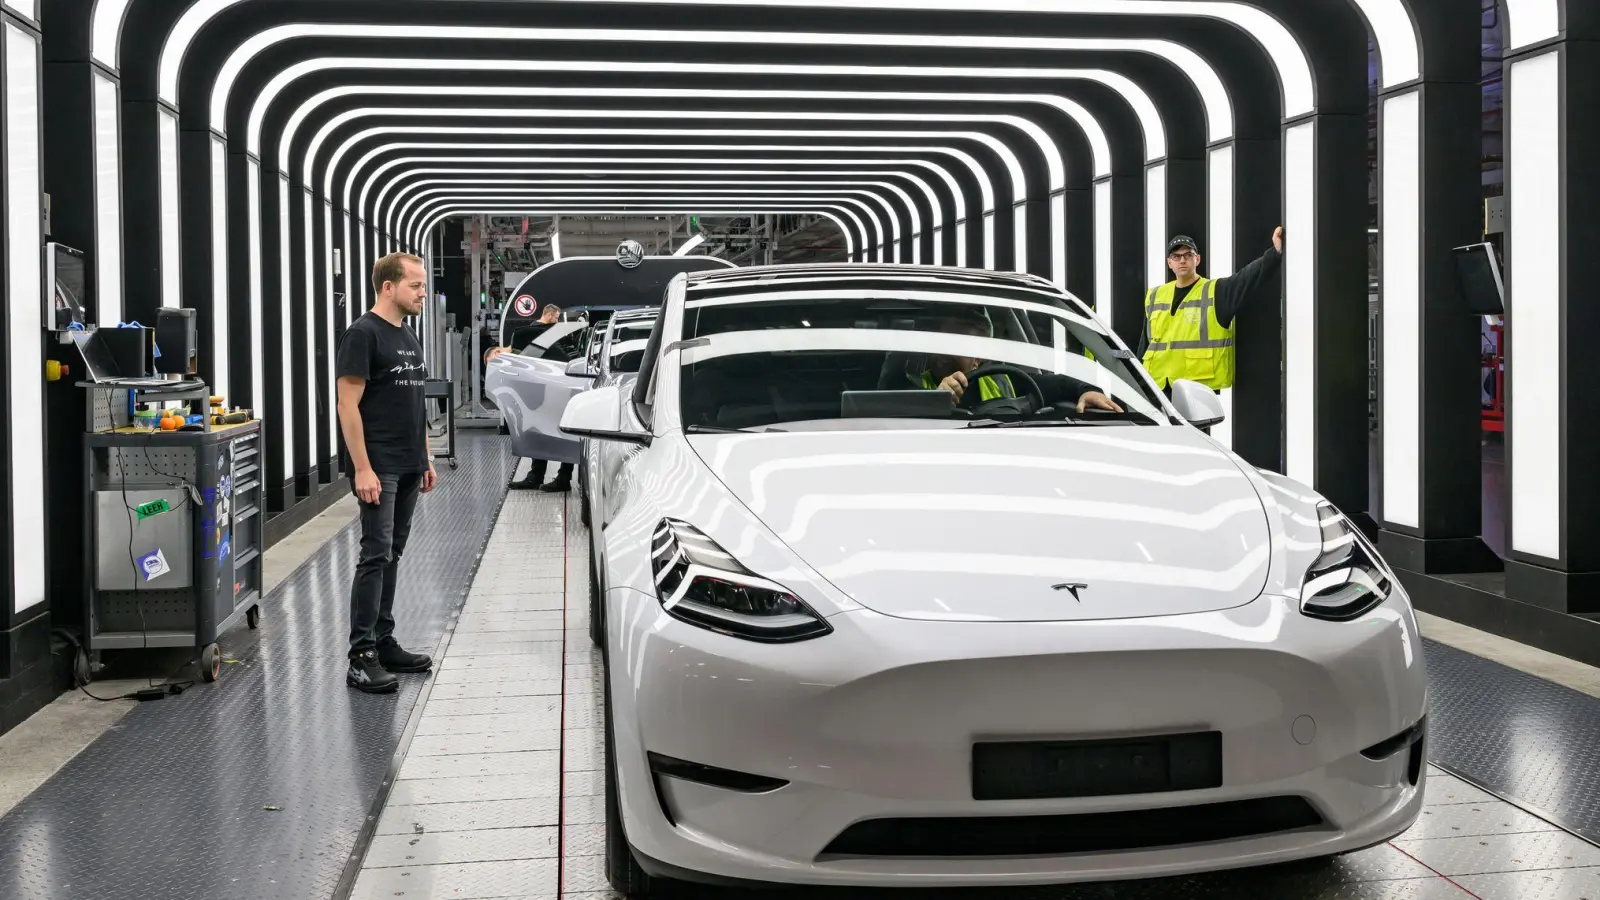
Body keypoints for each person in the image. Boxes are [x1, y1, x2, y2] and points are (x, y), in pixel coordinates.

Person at [335, 252, 438, 694]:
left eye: (423, 285)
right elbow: (347, 405)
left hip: (410, 464)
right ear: (388, 287)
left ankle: (383, 638)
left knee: (392, 553)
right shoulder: (362, 334)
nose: (422, 293)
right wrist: (362, 468)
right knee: (375, 554)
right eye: (415, 285)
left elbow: (415, 405)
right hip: (379, 466)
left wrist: (427, 457)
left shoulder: (407, 336)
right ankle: (361, 656)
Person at [1138, 228, 1284, 392]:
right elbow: (1145, 346)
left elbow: (1247, 278)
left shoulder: (1215, 291)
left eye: (1188, 255)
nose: (1182, 260)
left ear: (1197, 259)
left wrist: (1275, 252)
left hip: (1196, 391)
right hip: (1156, 390)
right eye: (1176, 256)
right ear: (1169, 262)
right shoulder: (1155, 296)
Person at [911, 311, 1124, 413]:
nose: (941, 354)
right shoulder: (909, 384)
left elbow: (1060, 384)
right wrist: (936, 400)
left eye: (955, 346)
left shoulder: (1005, 381)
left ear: (978, 359)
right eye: (938, 343)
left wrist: (1087, 391)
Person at [484, 344, 575, 492]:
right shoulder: (517, 355)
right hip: (549, 394)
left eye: (494, 362)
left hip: (559, 392)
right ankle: (536, 477)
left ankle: (562, 479)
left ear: (498, 352)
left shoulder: (522, 353)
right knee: (539, 433)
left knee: (564, 433)